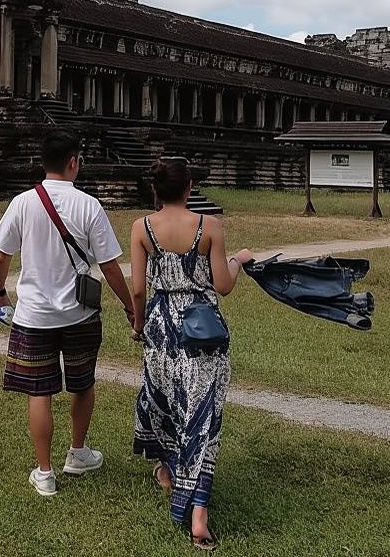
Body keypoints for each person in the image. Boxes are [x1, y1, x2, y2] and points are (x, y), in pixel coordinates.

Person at [0, 130, 135, 497]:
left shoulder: (23, 202)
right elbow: (111, 267)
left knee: (39, 392)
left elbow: (1, 255)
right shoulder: (89, 206)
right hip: (80, 314)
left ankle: (44, 472)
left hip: (33, 315)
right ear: (73, 163)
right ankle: (78, 452)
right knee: (82, 383)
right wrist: (131, 306)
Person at [129, 158, 252, 551]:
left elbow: (137, 290)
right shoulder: (209, 227)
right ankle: (198, 511)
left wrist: (138, 326)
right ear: (189, 187)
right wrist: (238, 260)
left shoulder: (142, 228)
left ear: (156, 189)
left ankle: (167, 472)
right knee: (202, 415)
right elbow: (224, 285)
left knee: (165, 402)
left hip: (160, 327)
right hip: (202, 329)